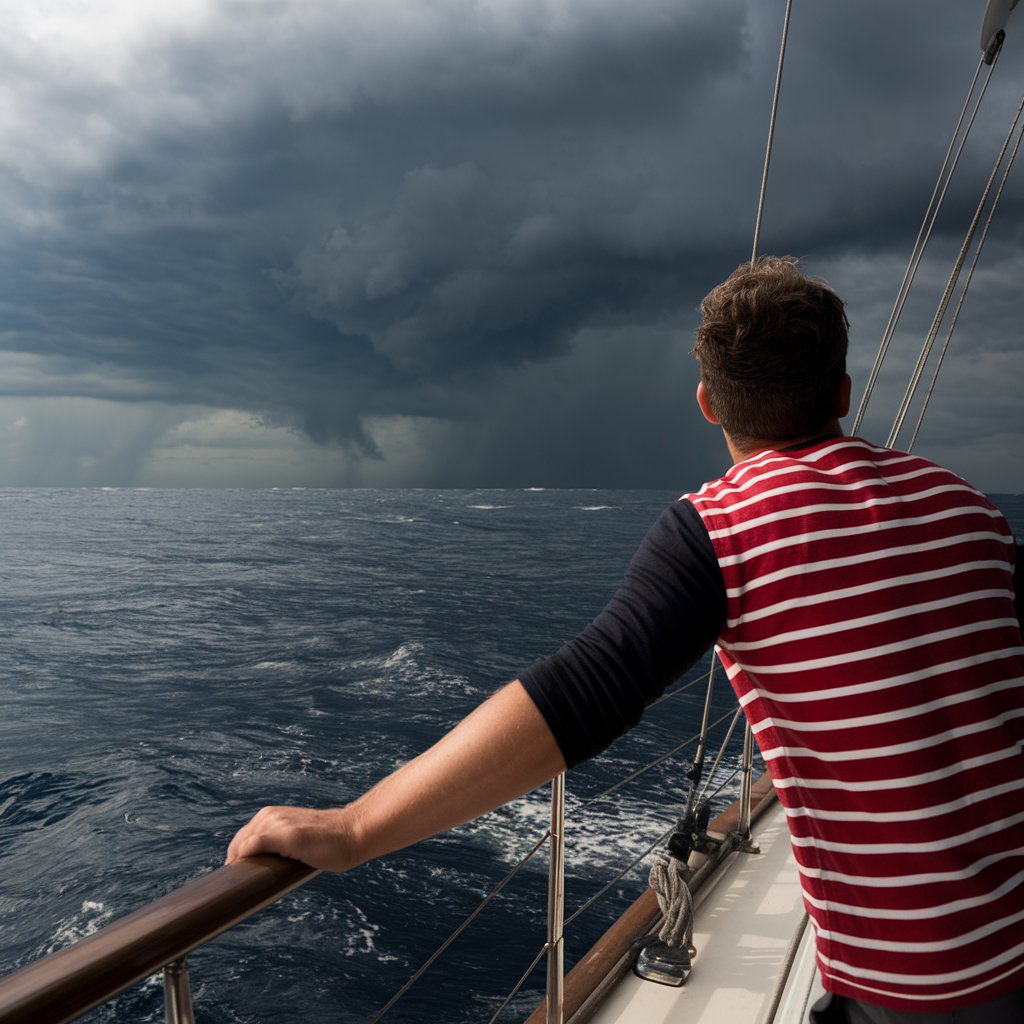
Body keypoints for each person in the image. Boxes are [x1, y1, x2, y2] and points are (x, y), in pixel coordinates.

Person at [227, 257, 1024, 1023]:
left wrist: (356, 827)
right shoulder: (969, 506)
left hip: (924, 974)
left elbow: (588, 689)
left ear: (707, 402)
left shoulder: (720, 529)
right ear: (843, 390)